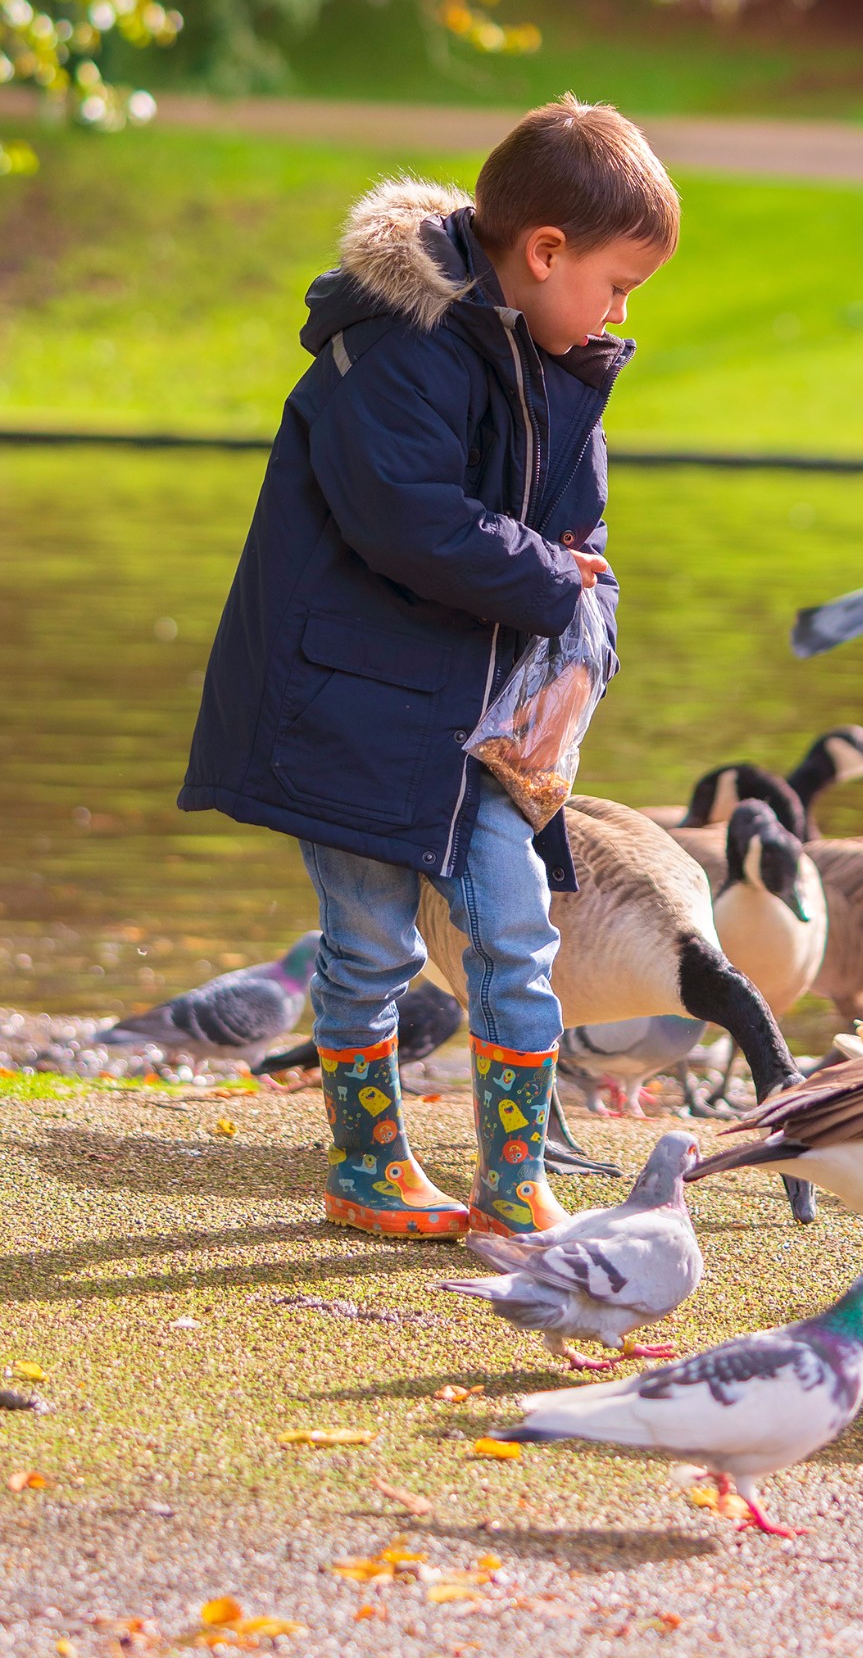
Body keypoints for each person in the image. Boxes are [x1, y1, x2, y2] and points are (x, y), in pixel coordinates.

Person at [179, 96, 678, 1239]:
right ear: (544, 252)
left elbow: (580, 535)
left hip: (475, 716)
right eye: (617, 284)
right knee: (367, 948)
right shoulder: (396, 340)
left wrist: (581, 617)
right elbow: (405, 519)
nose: (618, 312)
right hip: (350, 709)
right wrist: (555, 584)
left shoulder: (559, 357)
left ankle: (514, 1183)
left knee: (517, 933)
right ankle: (368, 1163)